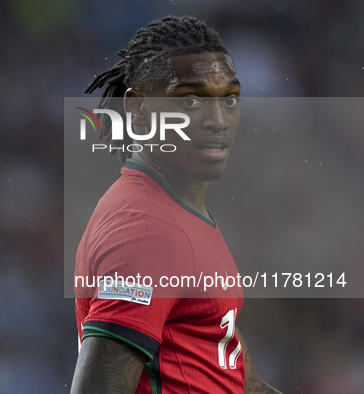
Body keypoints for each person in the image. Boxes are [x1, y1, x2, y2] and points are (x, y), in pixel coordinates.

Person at [71, 15, 282, 393]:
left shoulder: (180, 212)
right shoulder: (147, 228)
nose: (218, 120)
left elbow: (239, 383)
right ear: (137, 108)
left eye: (229, 98)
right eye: (190, 99)